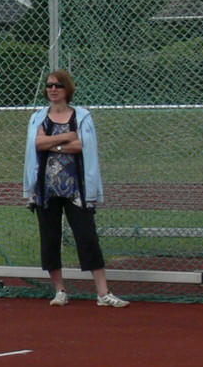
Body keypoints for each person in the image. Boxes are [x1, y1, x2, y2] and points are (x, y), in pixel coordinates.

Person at [21, 69, 127, 308]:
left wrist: (52, 144)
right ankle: (59, 290)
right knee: (50, 239)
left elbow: (82, 146)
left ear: (67, 88)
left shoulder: (81, 116)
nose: (53, 89)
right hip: (46, 189)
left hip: (77, 189)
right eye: (49, 85)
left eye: (58, 85)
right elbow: (36, 144)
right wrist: (66, 137)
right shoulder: (39, 117)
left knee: (87, 237)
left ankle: (103, 293)